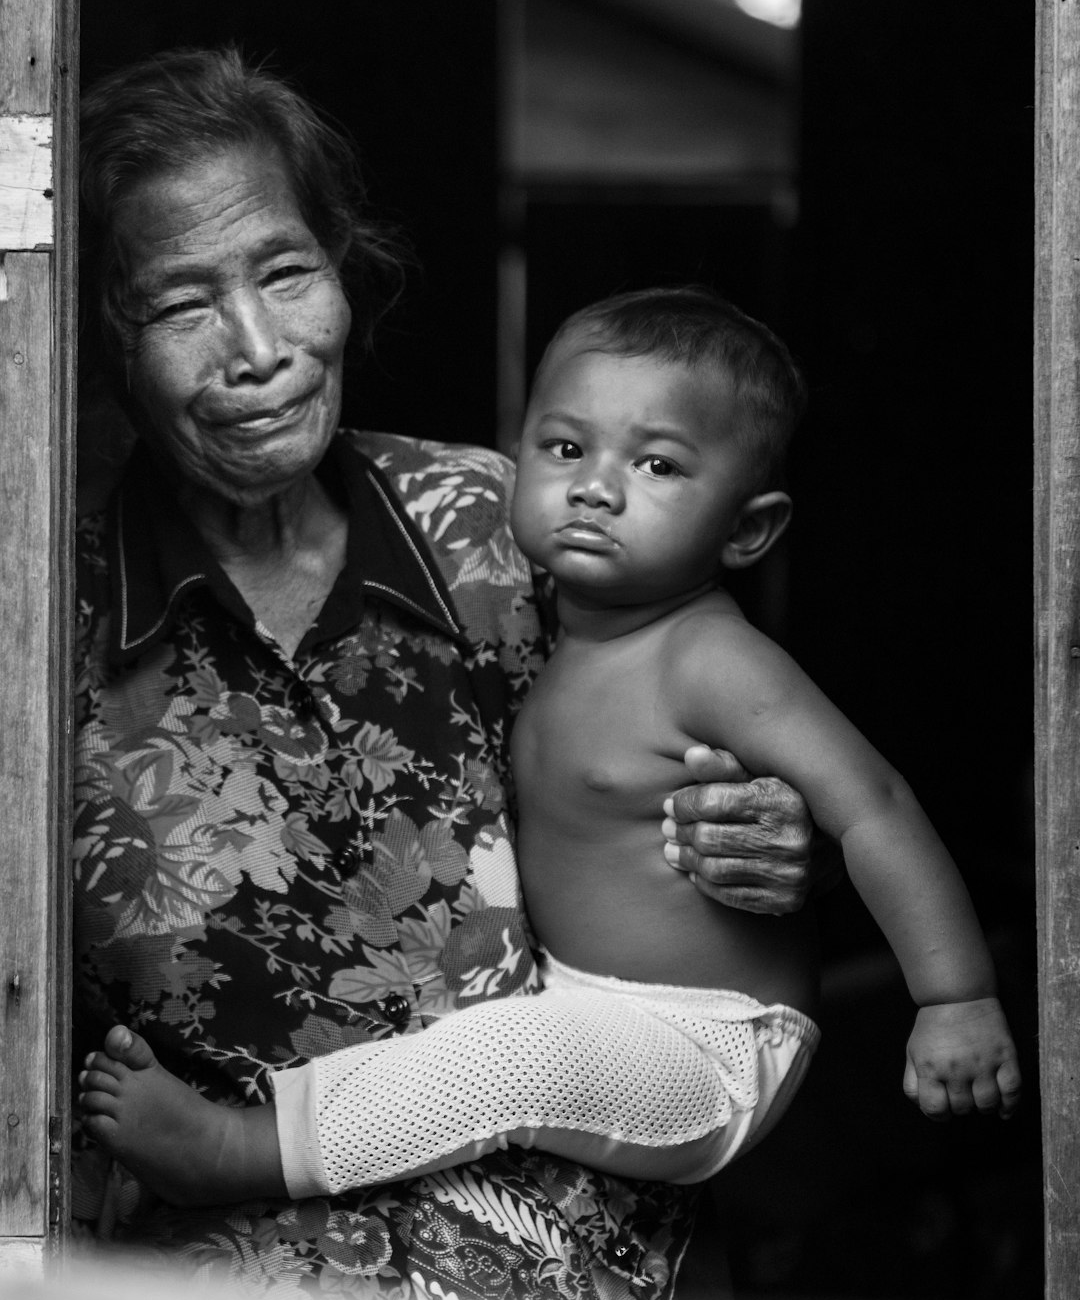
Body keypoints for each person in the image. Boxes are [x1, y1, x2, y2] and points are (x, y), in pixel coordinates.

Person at [71, 48, 819, 1300]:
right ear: (98, 333)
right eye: (182, 304)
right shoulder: (51, 618)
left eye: (287, 274)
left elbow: (696, 778)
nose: (259, 351)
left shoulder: (501, 526)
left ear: (346, 273)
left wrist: (756, 831)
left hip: (578, 1277)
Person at [79, 286, 1021, 1224]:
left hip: (709, 1045)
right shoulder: (558, 626)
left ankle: (241, 1149)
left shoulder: (712, 659)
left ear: (747, 531)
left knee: (514, 1055)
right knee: (499, 1040)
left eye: (656, 465)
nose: (595, 487)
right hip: (587, 1007)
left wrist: (954, 998)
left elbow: (874, 806)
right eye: (565, 449)